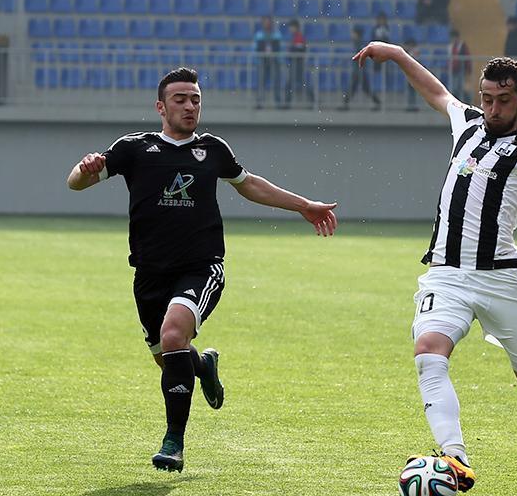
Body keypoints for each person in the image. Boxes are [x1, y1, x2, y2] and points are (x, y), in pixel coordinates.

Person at [350, 43, 517, 492]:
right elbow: (437, 92)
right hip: (445, 273)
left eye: (503, 100)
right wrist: (396, 54)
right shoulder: (468, 125)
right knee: (429, 353)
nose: (493, 109)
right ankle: (455, 458)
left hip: (498, 279)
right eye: (487, 98)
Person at [66, 67, 337, 473]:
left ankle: (173, 442)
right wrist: (84, 168)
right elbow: (76, 183)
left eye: (195, 99)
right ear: (161, 107)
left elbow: (249, 183)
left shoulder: (212, 150)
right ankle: (202, 366)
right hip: (149, 274)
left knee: (173, 334)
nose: (190, 106)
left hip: (201, 267)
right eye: (180, 99)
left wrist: (304, 205)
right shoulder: (134, 149)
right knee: (169, 357)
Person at [339, 25, 381, 111]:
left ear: (357, 34)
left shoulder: (359, 43)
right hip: (359, 69)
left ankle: (345, 104)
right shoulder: (358, 43)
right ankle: (377, 102)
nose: (352, 35)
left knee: (355, 87)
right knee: (363, 88)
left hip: (359, 70)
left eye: (353, 33)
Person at [252, 16, 283, 109]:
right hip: (262, 60)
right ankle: (260, 102)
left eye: (268, 22)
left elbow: (280, 48)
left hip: (274, 61)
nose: (267, 24)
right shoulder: (259, 35)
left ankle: (278, 102)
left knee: (276, 81)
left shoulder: (277, 34)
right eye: (265, 22)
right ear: (263, 24)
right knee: (261, 82)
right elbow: (254, 48)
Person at [284, 19, 314, 109]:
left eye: (291, 27)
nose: (290, 29)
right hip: (295, 62)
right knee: (298, 83)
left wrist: (291, 49)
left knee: (293, 84)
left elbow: (300, 49)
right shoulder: (295, 37)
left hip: (298, 63)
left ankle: (287, 103)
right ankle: (313, 101)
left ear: (295, 27)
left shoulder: (299, 37)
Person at [449, 29, 472, 102]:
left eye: (454, 37)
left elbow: (467, 57)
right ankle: (455, 102)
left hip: (461, 69)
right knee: (454, 87)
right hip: (453, 70)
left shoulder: (462, 45)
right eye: (452, 38)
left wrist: (468, 68)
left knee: (461, 87)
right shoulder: (451, 46)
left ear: (457, 37)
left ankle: (465, 101)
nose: (453, 39)